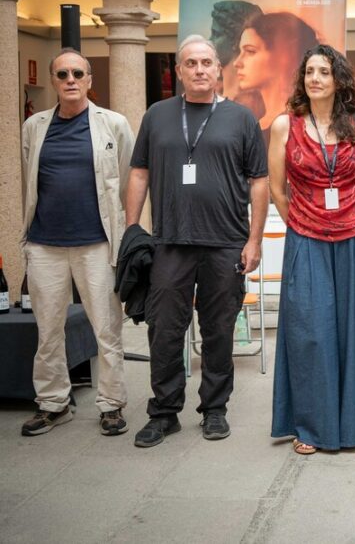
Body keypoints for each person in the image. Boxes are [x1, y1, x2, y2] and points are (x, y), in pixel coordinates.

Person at [126, 35, 269, 448]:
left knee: (219, 328)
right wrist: (133, 230)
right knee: (165, 329)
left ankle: (215, 409)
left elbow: (259, 181)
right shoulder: (157, 115)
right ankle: (164, 412)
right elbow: (139, 172)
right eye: (191, 63)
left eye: (207, 62)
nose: (200, 69)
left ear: (218, 69)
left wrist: (254, 239)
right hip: (170, 241)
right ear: (179, 71)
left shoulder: (241, 119)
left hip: (225, 242)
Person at [267, 45, 355, 454]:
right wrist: (302, 221)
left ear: (338, 79)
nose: (315, 78)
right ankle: (313, 427)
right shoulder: (285, 125)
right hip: (307, 238)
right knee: (311, 330)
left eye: (324, 71)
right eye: (309, 72)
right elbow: (277, 190)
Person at [19, 49, 133, 437]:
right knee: (48, 330)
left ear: (89, 80)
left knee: (106, 328)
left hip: (96, 244)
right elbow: (28, 182)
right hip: (44, 243)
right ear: (53, 80)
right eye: (62, 73)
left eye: (77, 73)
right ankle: (53, 404)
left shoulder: (114, 125)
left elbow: (128, 180)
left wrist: (130, 236)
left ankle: (111, 405)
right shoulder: (34, 126)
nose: (70, 79)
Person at [234, 12, 318, 132]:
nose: (237, 62)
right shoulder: (253, 124)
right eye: (240, 51)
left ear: (283, 56)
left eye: (250, 51)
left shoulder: (301, 124)